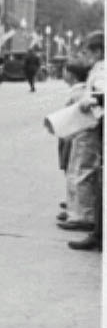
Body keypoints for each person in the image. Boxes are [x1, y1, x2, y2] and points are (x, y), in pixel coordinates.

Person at [67, 32, 104, 252]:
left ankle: (92, 226)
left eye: (88, 52)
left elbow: (101, 93)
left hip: (98, 121)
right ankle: (96, 229)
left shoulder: (101, 69)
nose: (86, 56)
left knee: (93, 175)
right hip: (98, 122)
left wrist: (92, 100)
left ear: (98, 52)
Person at [57, 58, 99, 236]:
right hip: (77, 136)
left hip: (82, 135)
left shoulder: (79, 93)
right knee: (74, 172)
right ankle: (75, 208)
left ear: (71, 75)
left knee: (80, 173)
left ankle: (82, 215)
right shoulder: (82, 89)